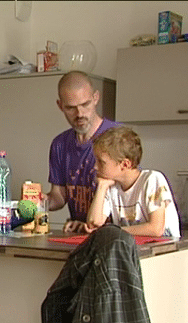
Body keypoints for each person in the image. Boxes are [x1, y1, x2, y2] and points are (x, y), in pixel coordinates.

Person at [46, 70, 120, 232]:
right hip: (79, 234)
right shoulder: (59, 144)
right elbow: (59, 196)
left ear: (95, 98)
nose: (79, 114)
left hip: (113, 236)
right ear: (60, 106)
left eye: (85, 105)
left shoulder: (117, 137)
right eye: (71, 108)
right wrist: (40, 202)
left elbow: (131, 193)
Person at [85, 126, 181, 237]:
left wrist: (113, 232)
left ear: (125, 164)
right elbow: (93, 223)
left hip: (166, 250)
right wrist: (101, 187)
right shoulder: (111, 185)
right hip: (135, 250)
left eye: (101, 162)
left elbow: (156, 229)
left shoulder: (152, 179)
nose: (95, 167)